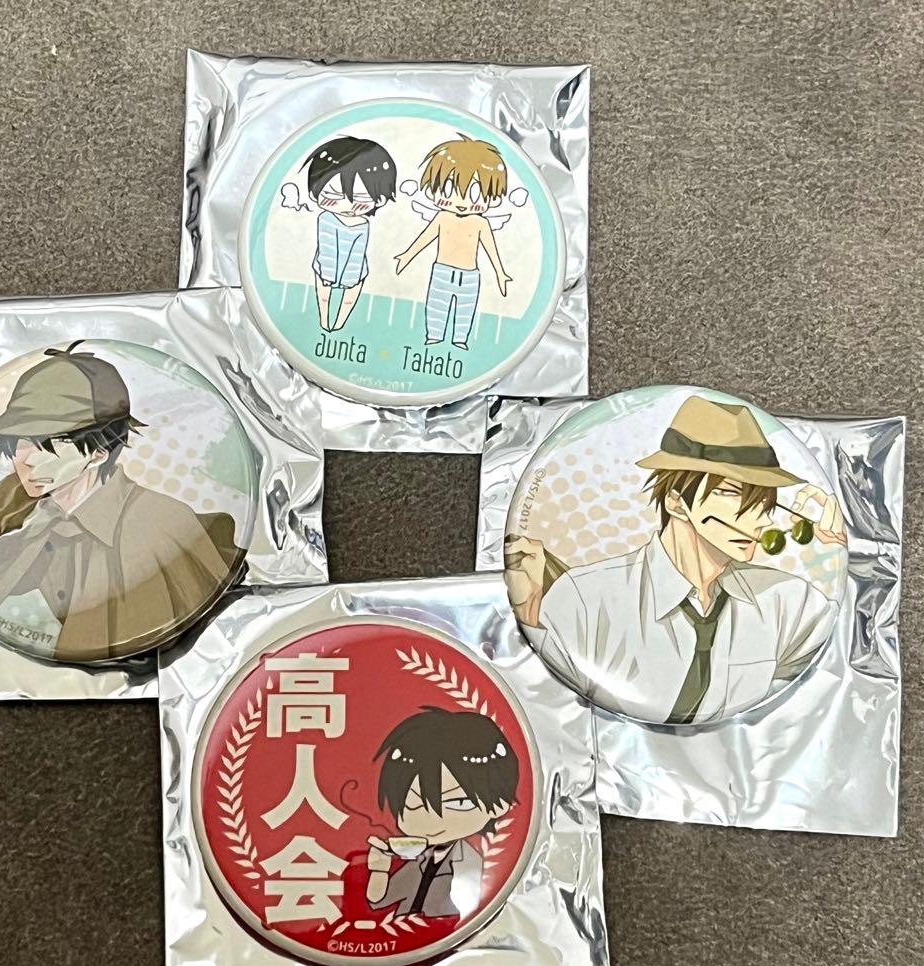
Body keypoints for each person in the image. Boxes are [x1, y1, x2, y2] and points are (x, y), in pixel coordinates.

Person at [504, 396, 848, 724]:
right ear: (676, 502)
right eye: (732, 493)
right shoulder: (586, 598)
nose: (759, 519)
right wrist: (531, 615)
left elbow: (828, 677)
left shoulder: (788, 603)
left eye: (764, 500)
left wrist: (839, 545)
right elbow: (545, 710)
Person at [0, 341, 244, 662]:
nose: (28, 460)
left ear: (99, 452)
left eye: (51, 444)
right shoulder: (25, 502)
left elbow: (146, 647)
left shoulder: (155, 525)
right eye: (21, 441)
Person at [364, 707, 518, 919]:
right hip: (406, 932)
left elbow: (468, 909)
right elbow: (379, 900)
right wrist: (379, 869)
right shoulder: (418, 857)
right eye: (413, 806)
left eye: (458, 803)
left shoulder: (469, 861)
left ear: (499, 804)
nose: (432, 820)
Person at [394, 135, 512, 349]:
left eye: (474, 193)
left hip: (469, 276)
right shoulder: (442, 217)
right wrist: (407, 255)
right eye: (449, 190)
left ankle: (460, 339)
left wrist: (500, 272)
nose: (461, 201)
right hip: (442, 271)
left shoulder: (480, 223)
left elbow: (490, 249)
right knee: (436, 306)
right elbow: (425, 237)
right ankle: (434, 336)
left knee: (466, 310)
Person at [303, 136, 397, 331]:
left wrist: (350, 279)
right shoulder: (326, 219)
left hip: (355, 270)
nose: (348, 206)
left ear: (379, 200)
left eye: (361, 199)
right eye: (333, 196)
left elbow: (358, 253)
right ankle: (324, 322)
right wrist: (327, 274)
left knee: (349, 298)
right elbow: (327, 248)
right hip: (325, 267)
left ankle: (339, 325)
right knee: (323, 295)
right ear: (314, 192)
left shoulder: (362, 224)